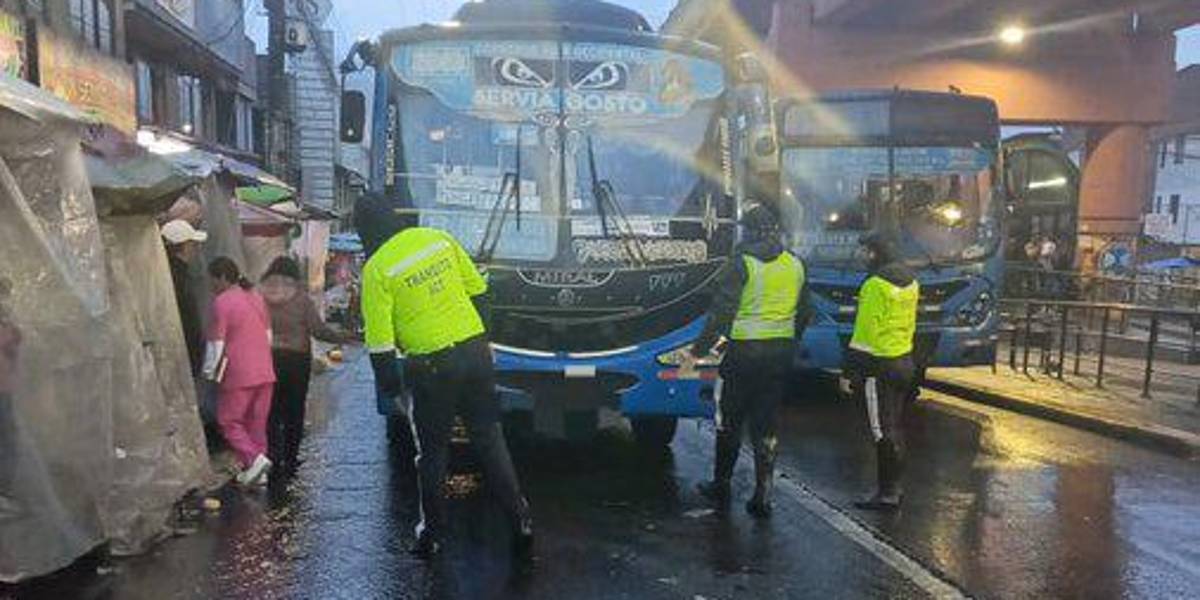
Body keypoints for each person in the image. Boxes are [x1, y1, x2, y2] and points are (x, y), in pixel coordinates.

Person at [362, 226, 533, 560]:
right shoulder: (438, 238)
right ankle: (521, 520)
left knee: (433, 452)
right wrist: (483, 340)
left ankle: (433, 535)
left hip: (432, 365)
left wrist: (390, 388)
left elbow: (380, 343)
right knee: (489, 438)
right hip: (475, 352)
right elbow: (480, 291)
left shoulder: (377, 268)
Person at [687, 204, 809, 518]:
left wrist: (699, 350)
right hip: (778, 354)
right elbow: (805, 311)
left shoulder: (740, 264)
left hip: (742, 354)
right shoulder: (795, 264)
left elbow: (722, 314)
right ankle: (763, 491)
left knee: (729, 421)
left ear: (749, 231)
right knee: (765, 422)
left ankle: (721, 483)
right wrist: (790, 342)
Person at [260, 256, 356, 479]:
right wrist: (343, 337)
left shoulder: (260, 297)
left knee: (272, 410)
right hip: (297, 361)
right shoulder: (301, 299)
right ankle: (291, 458)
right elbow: (318, 330)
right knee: (294, 410)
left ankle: (273, 454)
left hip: (269, 357)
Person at [843, 231, 919, 510]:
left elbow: (865, 333)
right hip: (904, 360)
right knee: (895, 426)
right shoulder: (911, 282)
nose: (863, 256)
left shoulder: (874, 285)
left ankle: (887, 493)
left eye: (866, 251)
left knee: (881, 430)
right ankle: (895, 489)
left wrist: (850, 372)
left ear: (876, 253)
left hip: (880, 366)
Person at [205, 257, 276, 486]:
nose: (212, 286)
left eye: (213, 280)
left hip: (239, 372)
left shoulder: (222, 302)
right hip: (265, 369)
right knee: (256, 423)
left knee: (229, 421)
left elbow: (216, 342)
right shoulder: (255, 297)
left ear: (223, 278)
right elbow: (268, 336)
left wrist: (209, 372)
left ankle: (255, 460)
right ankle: (258, 472)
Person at [162, 219, 207, 378]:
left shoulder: (166, 272)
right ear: (185, 246)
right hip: (183, 354)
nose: (196, 249)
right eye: (193, 244)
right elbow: (188, 320)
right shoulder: (179, 278)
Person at [0, 278, 21, 502]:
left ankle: (5, 490)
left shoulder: (7, 323)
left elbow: (14, 348)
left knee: (8, 438)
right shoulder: (5, 326)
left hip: (5, 388)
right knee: (7, 438)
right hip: (2, 389)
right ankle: (3, 491)